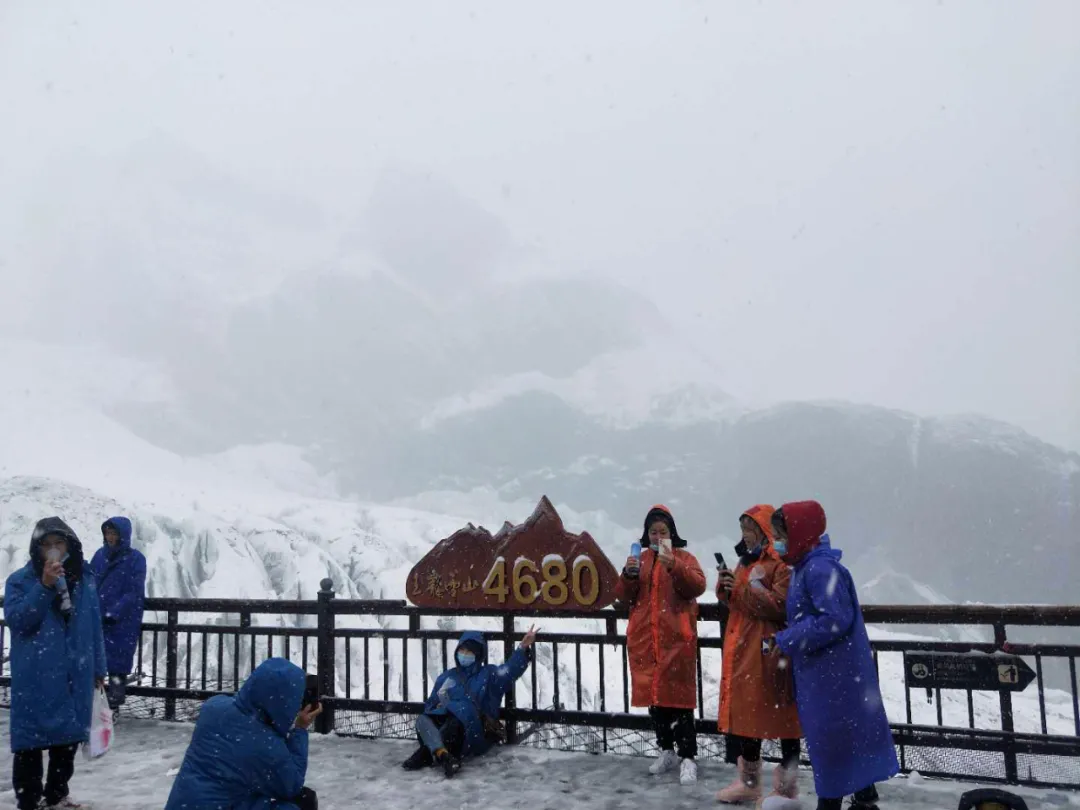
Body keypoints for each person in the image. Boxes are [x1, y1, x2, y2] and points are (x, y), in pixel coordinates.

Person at [769, 501, 899, 810]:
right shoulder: (808, 567)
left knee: (831, 742)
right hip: (829, 673)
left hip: (832, 676)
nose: (778, 542)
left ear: (799, 533)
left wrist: (787, 639)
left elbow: (834, 619)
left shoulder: (818, 569)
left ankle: (831, 804)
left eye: (780, 535)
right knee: (845, 738)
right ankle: (865, 799)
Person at [5, 517, 107, 810]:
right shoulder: (20, 581)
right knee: (30, 744)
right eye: (46, 545)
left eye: (58, 543)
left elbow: (93, 625)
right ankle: (29, 799)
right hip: (36, 674)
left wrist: (99, 668)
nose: (52, 550)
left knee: (67, 741)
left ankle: (57, 796)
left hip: (75, 672)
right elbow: (19, 620)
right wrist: (44, 586)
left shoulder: (84, 580)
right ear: (36, 550)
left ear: (69, 546)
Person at [716, 504, 802, 805]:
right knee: (747, 716)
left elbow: (780, 605)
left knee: (786, 718)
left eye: (750, 531)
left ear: (765, 532)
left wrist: (739, 590)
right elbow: (742, 600)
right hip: (746, 651)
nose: (746, 537)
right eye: (743, 532)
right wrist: (727, 589)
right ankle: (750, 782)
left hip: (771, 650)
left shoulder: (780, 564)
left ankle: (786, 788)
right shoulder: (746, 562)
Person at [615, 504, 707, 786]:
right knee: (655, 701)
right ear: (646, 534)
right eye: (652, 532)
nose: (657, 536)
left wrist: (674, 566)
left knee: (680, 702)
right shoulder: (640, 560)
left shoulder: (684, 557)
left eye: (662, 531)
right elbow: (623, 597)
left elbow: (697, 586)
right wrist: (628, 576)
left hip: (675, 642)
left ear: (671, 533)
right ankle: (666, 751)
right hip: (646, 641)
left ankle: (688, 758)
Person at [165, 657, 320, 810]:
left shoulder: (213, 706)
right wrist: (299, 729)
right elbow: (291, 785)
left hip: (184, 803)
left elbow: (244, 719)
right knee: (301, 802)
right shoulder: (266, 747)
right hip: (224, 803)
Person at [402, 626, 537, 777]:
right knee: (423, 719)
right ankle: (443, 755)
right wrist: (438, 707)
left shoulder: (489, 675)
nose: (464, 655)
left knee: (462, 711)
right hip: (446, 728)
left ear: (478, 655)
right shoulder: (448, 676)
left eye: (469, 652)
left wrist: (523, 647)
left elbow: (509, 671)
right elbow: (430, 706)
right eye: (462, 651)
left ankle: (426, 752)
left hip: (475, 734)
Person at [89, 516, 147, 712]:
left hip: (122, 621)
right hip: (98, 618)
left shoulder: (136, 559)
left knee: (117, 664)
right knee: (94, 661)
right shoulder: (99, 555)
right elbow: (89, 583)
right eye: (107, 532)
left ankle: (113, 706)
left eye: (114, 533)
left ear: (123, 535)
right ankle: (95, 707)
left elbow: (134, 591)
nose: (110, 536)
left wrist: (114, 612)